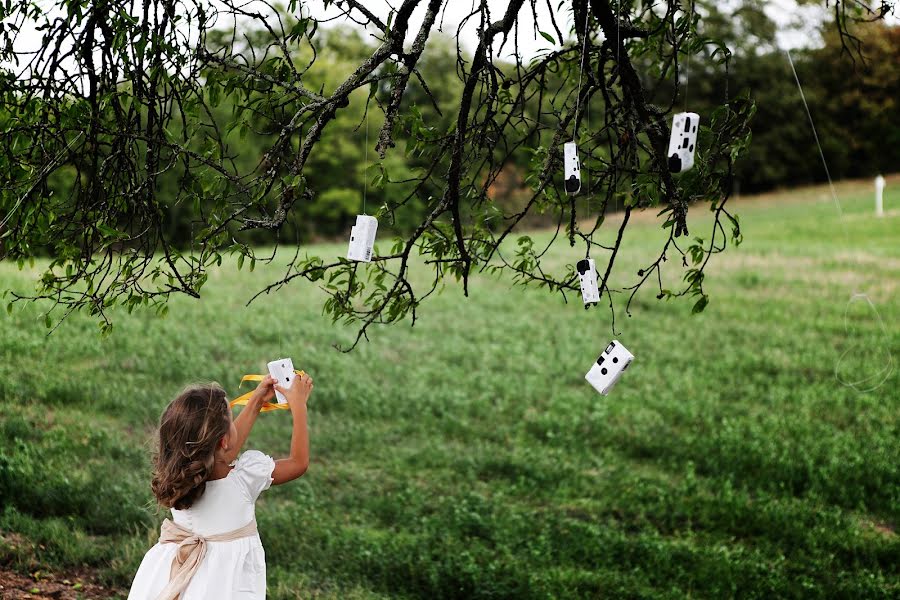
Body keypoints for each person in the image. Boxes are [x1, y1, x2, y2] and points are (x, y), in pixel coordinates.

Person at [127, 371, 314, 600]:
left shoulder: (181, 476)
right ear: (224, 440)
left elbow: (220, 452)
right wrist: (299, 406)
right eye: (230, 418)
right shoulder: (243, 478)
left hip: (178, 577)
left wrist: (255, 401)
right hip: (227, 586)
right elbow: (298, 463)